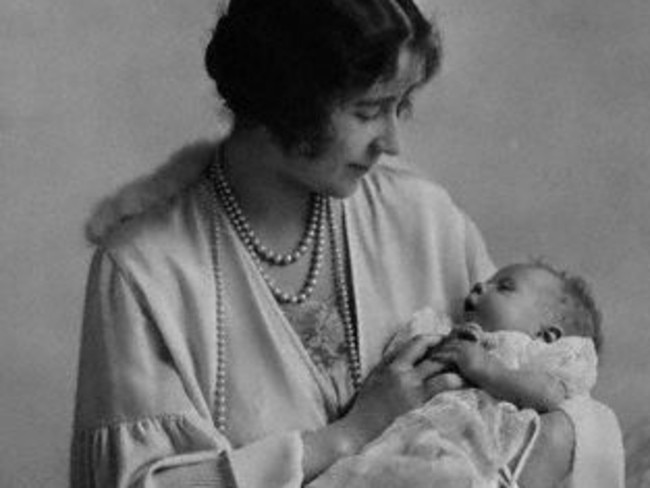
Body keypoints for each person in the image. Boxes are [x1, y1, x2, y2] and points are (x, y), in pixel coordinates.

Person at [70, 0, 624, 487]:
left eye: (398, 107)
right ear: (285, 99)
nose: (392, 141)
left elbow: (546, 416)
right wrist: (349, 434)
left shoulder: (423, 219)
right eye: (367, 111)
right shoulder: (146, 272)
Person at [308, 261, 604, 488]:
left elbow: (553, 396)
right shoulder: (442, 329)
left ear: (547, 335)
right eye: (485, 282)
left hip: (475, 451)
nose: (479, 287)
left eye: (504, 287)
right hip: (411, 438)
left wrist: (488, 369)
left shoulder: (529, 356)